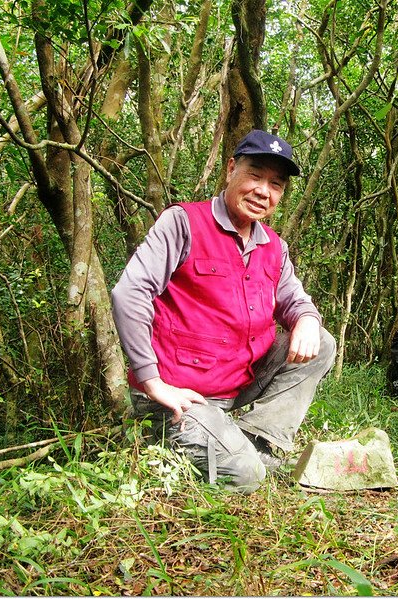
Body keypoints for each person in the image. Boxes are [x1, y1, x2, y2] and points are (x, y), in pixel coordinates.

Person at [111, 129, 336, 493]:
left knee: (321, 342)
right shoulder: (183, 222)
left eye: (276, 184)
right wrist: (153, 383)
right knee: (247, 476)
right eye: (255, 175)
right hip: (177, 395)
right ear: (231, 169)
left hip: (234, 385)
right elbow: (129, 293)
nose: (264, 191)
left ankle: (254, 440)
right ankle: (177, 437)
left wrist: (308, 319)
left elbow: (295, 299)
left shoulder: (273, 247)